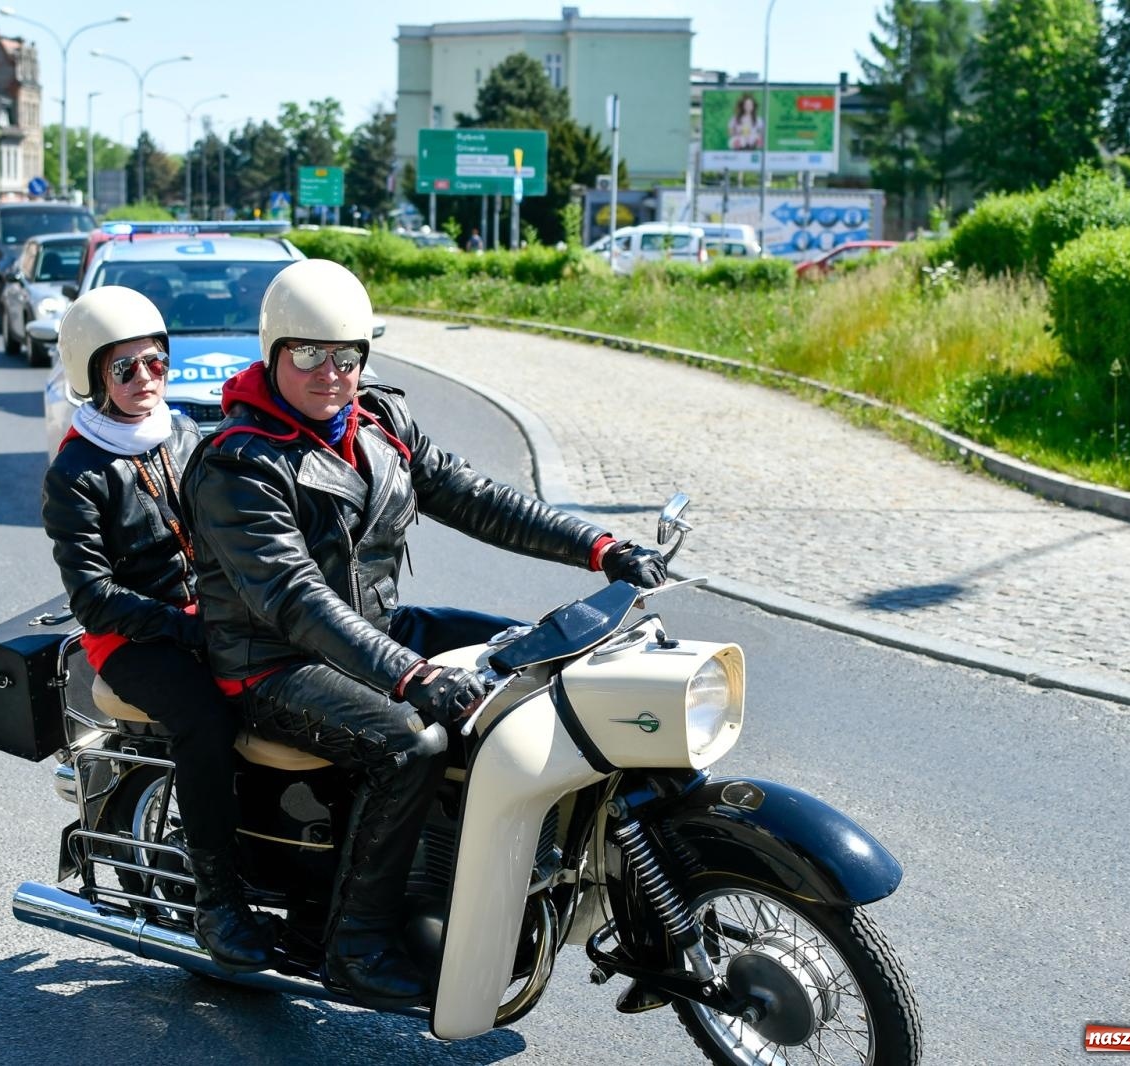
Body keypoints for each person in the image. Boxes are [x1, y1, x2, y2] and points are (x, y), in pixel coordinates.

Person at [182, 259, 668, 1008]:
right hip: (271, 662)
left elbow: (478, 497)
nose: (330, 373)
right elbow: (296, 599)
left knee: (530, 663)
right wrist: (411, 674)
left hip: (370, 632)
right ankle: (357, 944)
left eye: (347, 355)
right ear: (273, 352)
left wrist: (599, 545)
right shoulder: (238, 465)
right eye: (308, 354)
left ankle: (490, 875)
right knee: (409, 743)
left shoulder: (379, 422)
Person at [41, 285, 275, 974]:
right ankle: (217, 900)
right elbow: (93, 596)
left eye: (157, 364)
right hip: (132, 639)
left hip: (209, 616)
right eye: (126, 368)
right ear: (92, 375)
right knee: (206, 719)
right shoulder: (77, 471)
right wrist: (185, 627)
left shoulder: (184, 433)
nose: (147, 380)